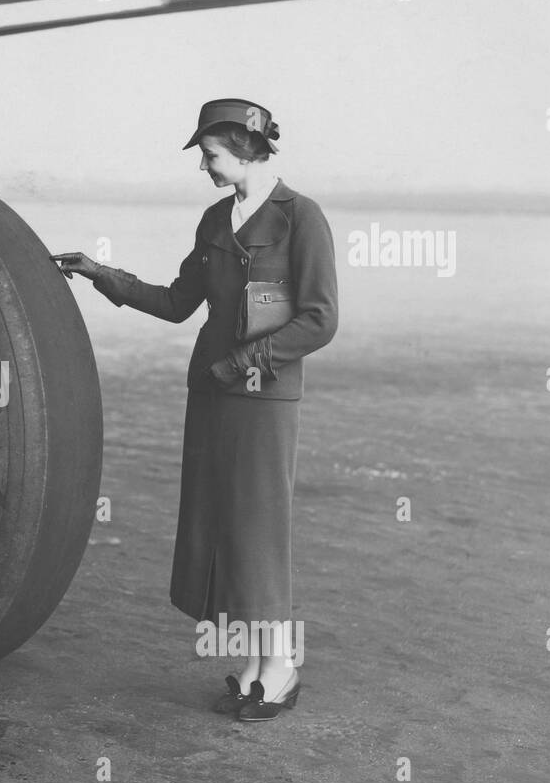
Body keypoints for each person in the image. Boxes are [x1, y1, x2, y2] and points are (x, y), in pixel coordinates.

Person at [54, 98, 338, 722]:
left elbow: (320, 319)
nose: (204, 166)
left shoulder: (301, 218)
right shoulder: (215, 220)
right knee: (226, 526)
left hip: (262, 398)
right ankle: (258, 662)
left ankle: (282, 664)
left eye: (209, 155)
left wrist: (243, 363)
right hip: (211, 394)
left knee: (260, 529)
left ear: (244, 148)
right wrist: (102, 274)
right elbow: (180, 301)